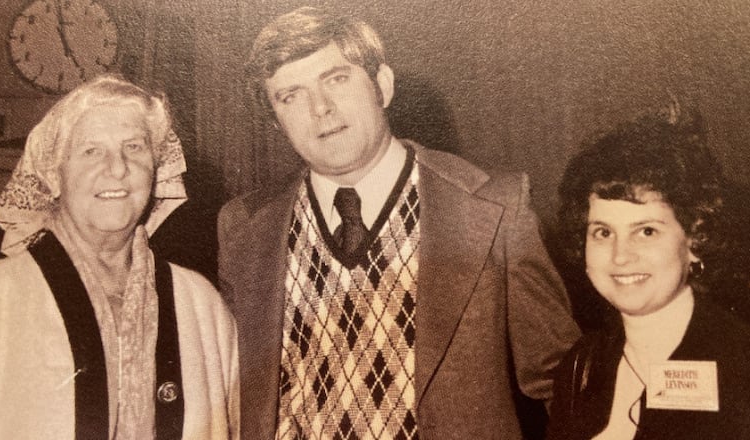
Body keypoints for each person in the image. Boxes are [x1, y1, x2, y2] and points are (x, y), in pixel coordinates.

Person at [218, 6, 579, 439]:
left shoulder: (491, 208)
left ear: (382, 86)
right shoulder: (244, 227)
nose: (321, 109)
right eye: (290, 95)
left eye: (336, 79)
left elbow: (566, 384)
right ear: (276, 120)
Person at [0, 74, 239, 439]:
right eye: (91, 151)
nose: (118, 168)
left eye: (134, 148)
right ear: (53, 174)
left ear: (156, 172)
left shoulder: (200, 303)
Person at [547, 103, 750, 439]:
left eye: (646, 231)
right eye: (603, 232)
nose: (620, 256)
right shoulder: (583, 367)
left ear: (694, 239)